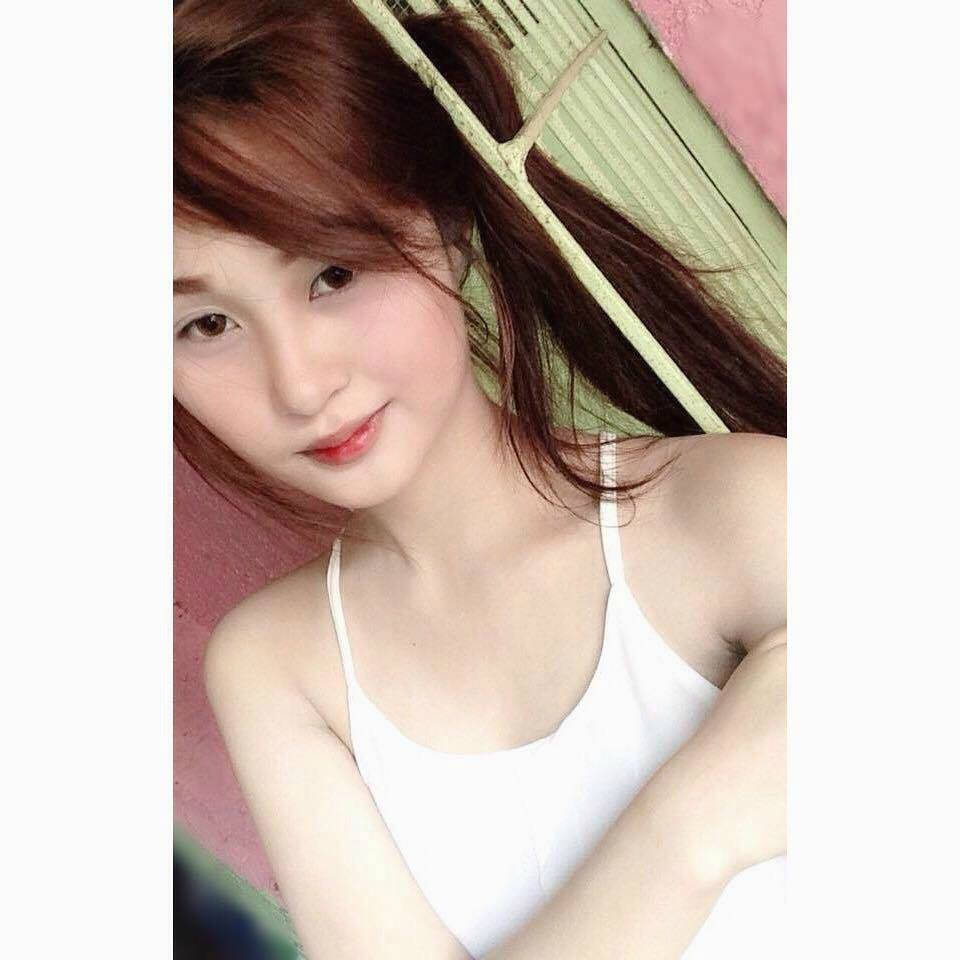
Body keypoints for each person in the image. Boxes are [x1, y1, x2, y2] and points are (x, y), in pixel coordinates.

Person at [173, 1, 787, 958]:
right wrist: (691, 833)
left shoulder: (744, 515)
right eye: (206, 325)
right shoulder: (279, 669)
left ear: (449, 224)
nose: (300, 383)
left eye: (333, 273)